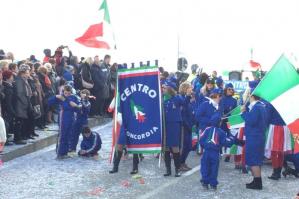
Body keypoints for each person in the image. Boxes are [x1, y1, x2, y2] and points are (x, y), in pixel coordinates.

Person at [199, 114, 242, 190]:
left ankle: (205, 182)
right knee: (214, 169)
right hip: (215, 153)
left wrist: (205, 146)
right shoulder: (221, 132)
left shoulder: (206, 129)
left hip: (206, 152)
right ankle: (213, 184)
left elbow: (201, 139)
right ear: (219, 123)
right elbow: (226, 143)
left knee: (205, 167)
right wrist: (232, 139)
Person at [163, 80, 192, 177]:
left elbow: (185, 103)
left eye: (165, 88)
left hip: (175, 125)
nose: (163, 89)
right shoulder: (163, 99)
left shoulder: (177, 98)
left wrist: (188, 95)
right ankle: (168, 170)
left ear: (170, 89)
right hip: (165, 125)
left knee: (175, 147)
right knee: (166, 148)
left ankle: (177, 169)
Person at [241, 94, 267, 190]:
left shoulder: (256, 107)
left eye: (248, 95)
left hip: (254, 137)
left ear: (252, 97)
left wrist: (243, 112)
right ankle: (256, 180)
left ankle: (258, 183)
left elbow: (251, 121)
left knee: (254, 159)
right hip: (258, 136)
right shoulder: (261, 106)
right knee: (256, 159)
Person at [48, 85, 81, 159]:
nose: (67, 95)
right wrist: (56, 96)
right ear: (63, 92)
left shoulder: (74, 97)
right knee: (63, 135)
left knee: (69, 135)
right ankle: (60, 153)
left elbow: (79, 106)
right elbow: (49, 102)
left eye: (69, 93)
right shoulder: (61, 97)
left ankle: (65, 152)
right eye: (66, 93)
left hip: (71, 117)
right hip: (63, 117)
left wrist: (76, 106)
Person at [266, 103, 292, 180]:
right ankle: (278, 172)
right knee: (280, 151)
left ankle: (275, 172)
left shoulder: (272, 102)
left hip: (275, 126)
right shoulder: (287, 102)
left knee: (274, 151)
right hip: (285, 127)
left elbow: (267, 115)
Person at [178, 81, 195, 171]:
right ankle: (180, 163)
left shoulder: (187, 99)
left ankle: (183, 162)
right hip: (184, 126)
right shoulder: (181, 98)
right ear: (185, 89)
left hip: (189, 125)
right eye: (190, 88)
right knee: (185, 146)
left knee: (188, 146)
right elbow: (182, 111)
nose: (191, 89)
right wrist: (187, 124)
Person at [69, 89, 91, 154]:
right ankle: (72, 148)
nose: (81, 95)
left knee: (85, 136)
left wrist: (83, 100)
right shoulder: (79, 101)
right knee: (74, 135)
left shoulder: (88, 103)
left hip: (84, 121)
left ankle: (86, 149)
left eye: (83, 94)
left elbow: (85, 107)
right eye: (81, 93)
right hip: (77, 120)